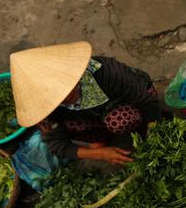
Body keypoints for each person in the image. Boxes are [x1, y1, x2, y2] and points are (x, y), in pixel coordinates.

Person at [10, 41, 161, 165]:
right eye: (54, 97)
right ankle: (102, 136)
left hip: (118, 105)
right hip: (89, 117)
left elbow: (144, 97)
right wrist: (98, 154)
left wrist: (154, 129)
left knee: (121, 120)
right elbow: (57, 145)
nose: (64, 97)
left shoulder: (106, 72)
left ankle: (135, 128)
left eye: (65, 86)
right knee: (72, 128)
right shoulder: (45, 108)